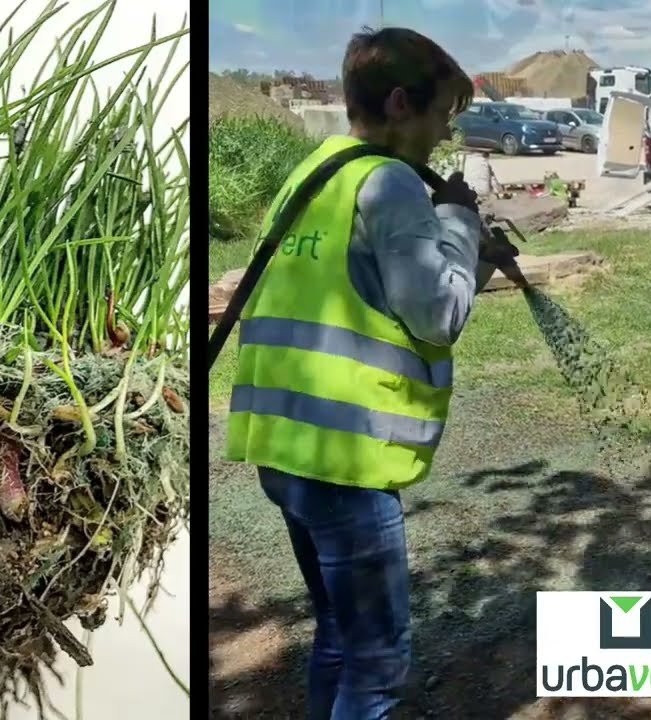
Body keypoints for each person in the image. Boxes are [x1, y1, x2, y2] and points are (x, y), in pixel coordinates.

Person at [222, 26, 518, 720]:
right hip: (345, 466)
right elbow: (437, 317)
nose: (446, 136)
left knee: (338, 637)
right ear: (397, 104)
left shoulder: (317, 169)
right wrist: (459, 219)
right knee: (378, 666)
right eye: (443, 113)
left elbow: (376, 288)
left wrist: (468, 256)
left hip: (284, 449)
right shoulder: (388, 184)